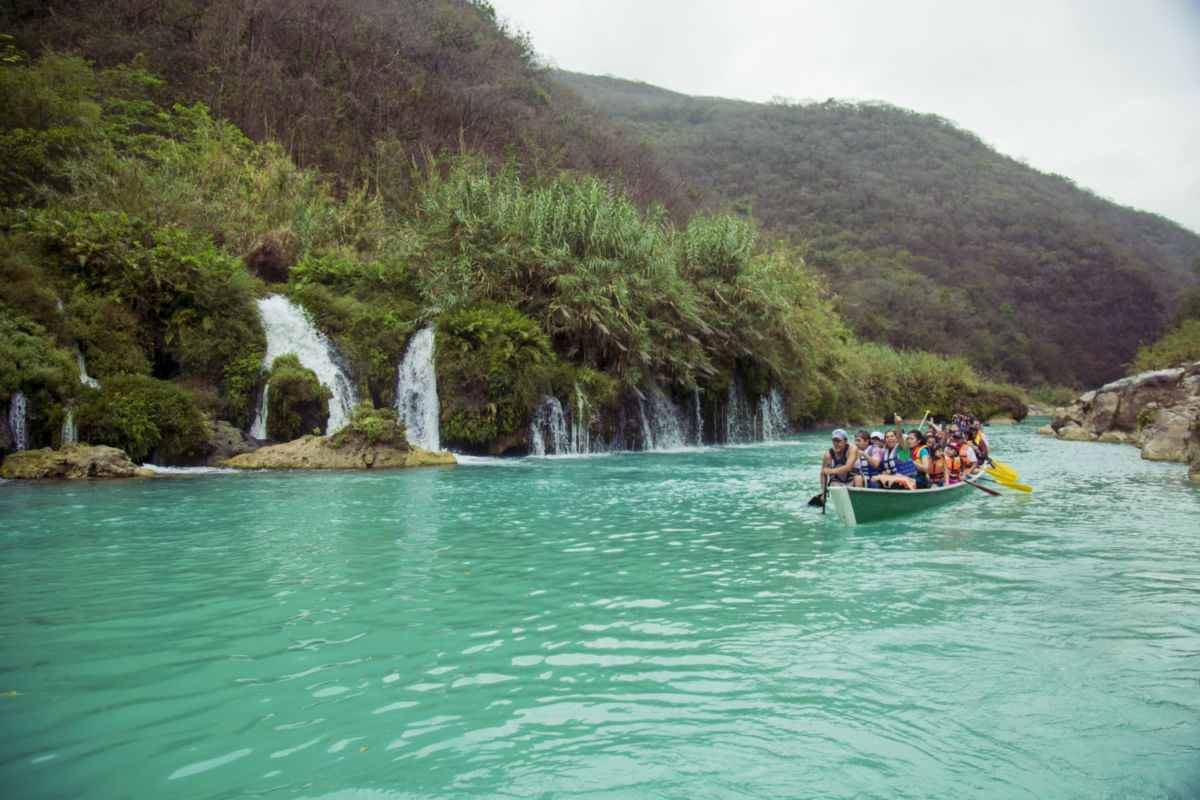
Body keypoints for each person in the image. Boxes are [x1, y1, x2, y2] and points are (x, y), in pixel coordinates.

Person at [820, 428, 859, 495]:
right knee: (836, 487)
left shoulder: (852, 449)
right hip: (837, 481)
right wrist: (823, 493)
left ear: (845, 441)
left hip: (852, 479)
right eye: (834, 441)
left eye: (839, 441)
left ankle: (858, 500)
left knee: (859, 479)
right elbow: (823, 474)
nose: (836, 444)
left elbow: (848, 468)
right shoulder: (828, 455)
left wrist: (831, 471)